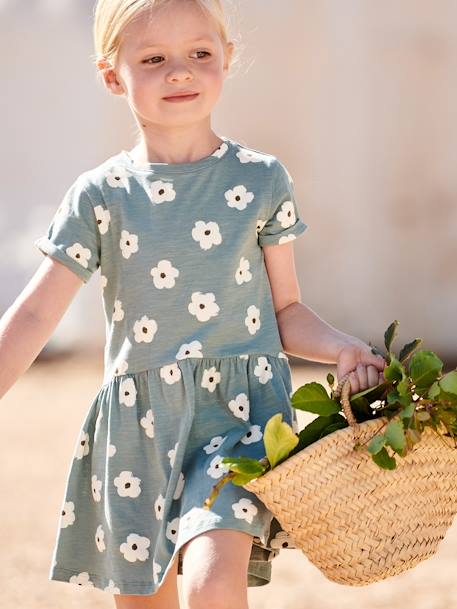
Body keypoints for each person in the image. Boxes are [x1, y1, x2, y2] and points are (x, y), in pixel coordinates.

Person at [0, 0, 386, 607]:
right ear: (112, 75)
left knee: (212, 579)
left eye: (199, 54)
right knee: (143, 599)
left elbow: (286, 311)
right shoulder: (101, 195)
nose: (179, 71)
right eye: (153, 59)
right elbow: (36, 315)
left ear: (227, 61)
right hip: (138, 430)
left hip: (238, 419)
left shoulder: (261, 180)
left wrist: (342, 347)